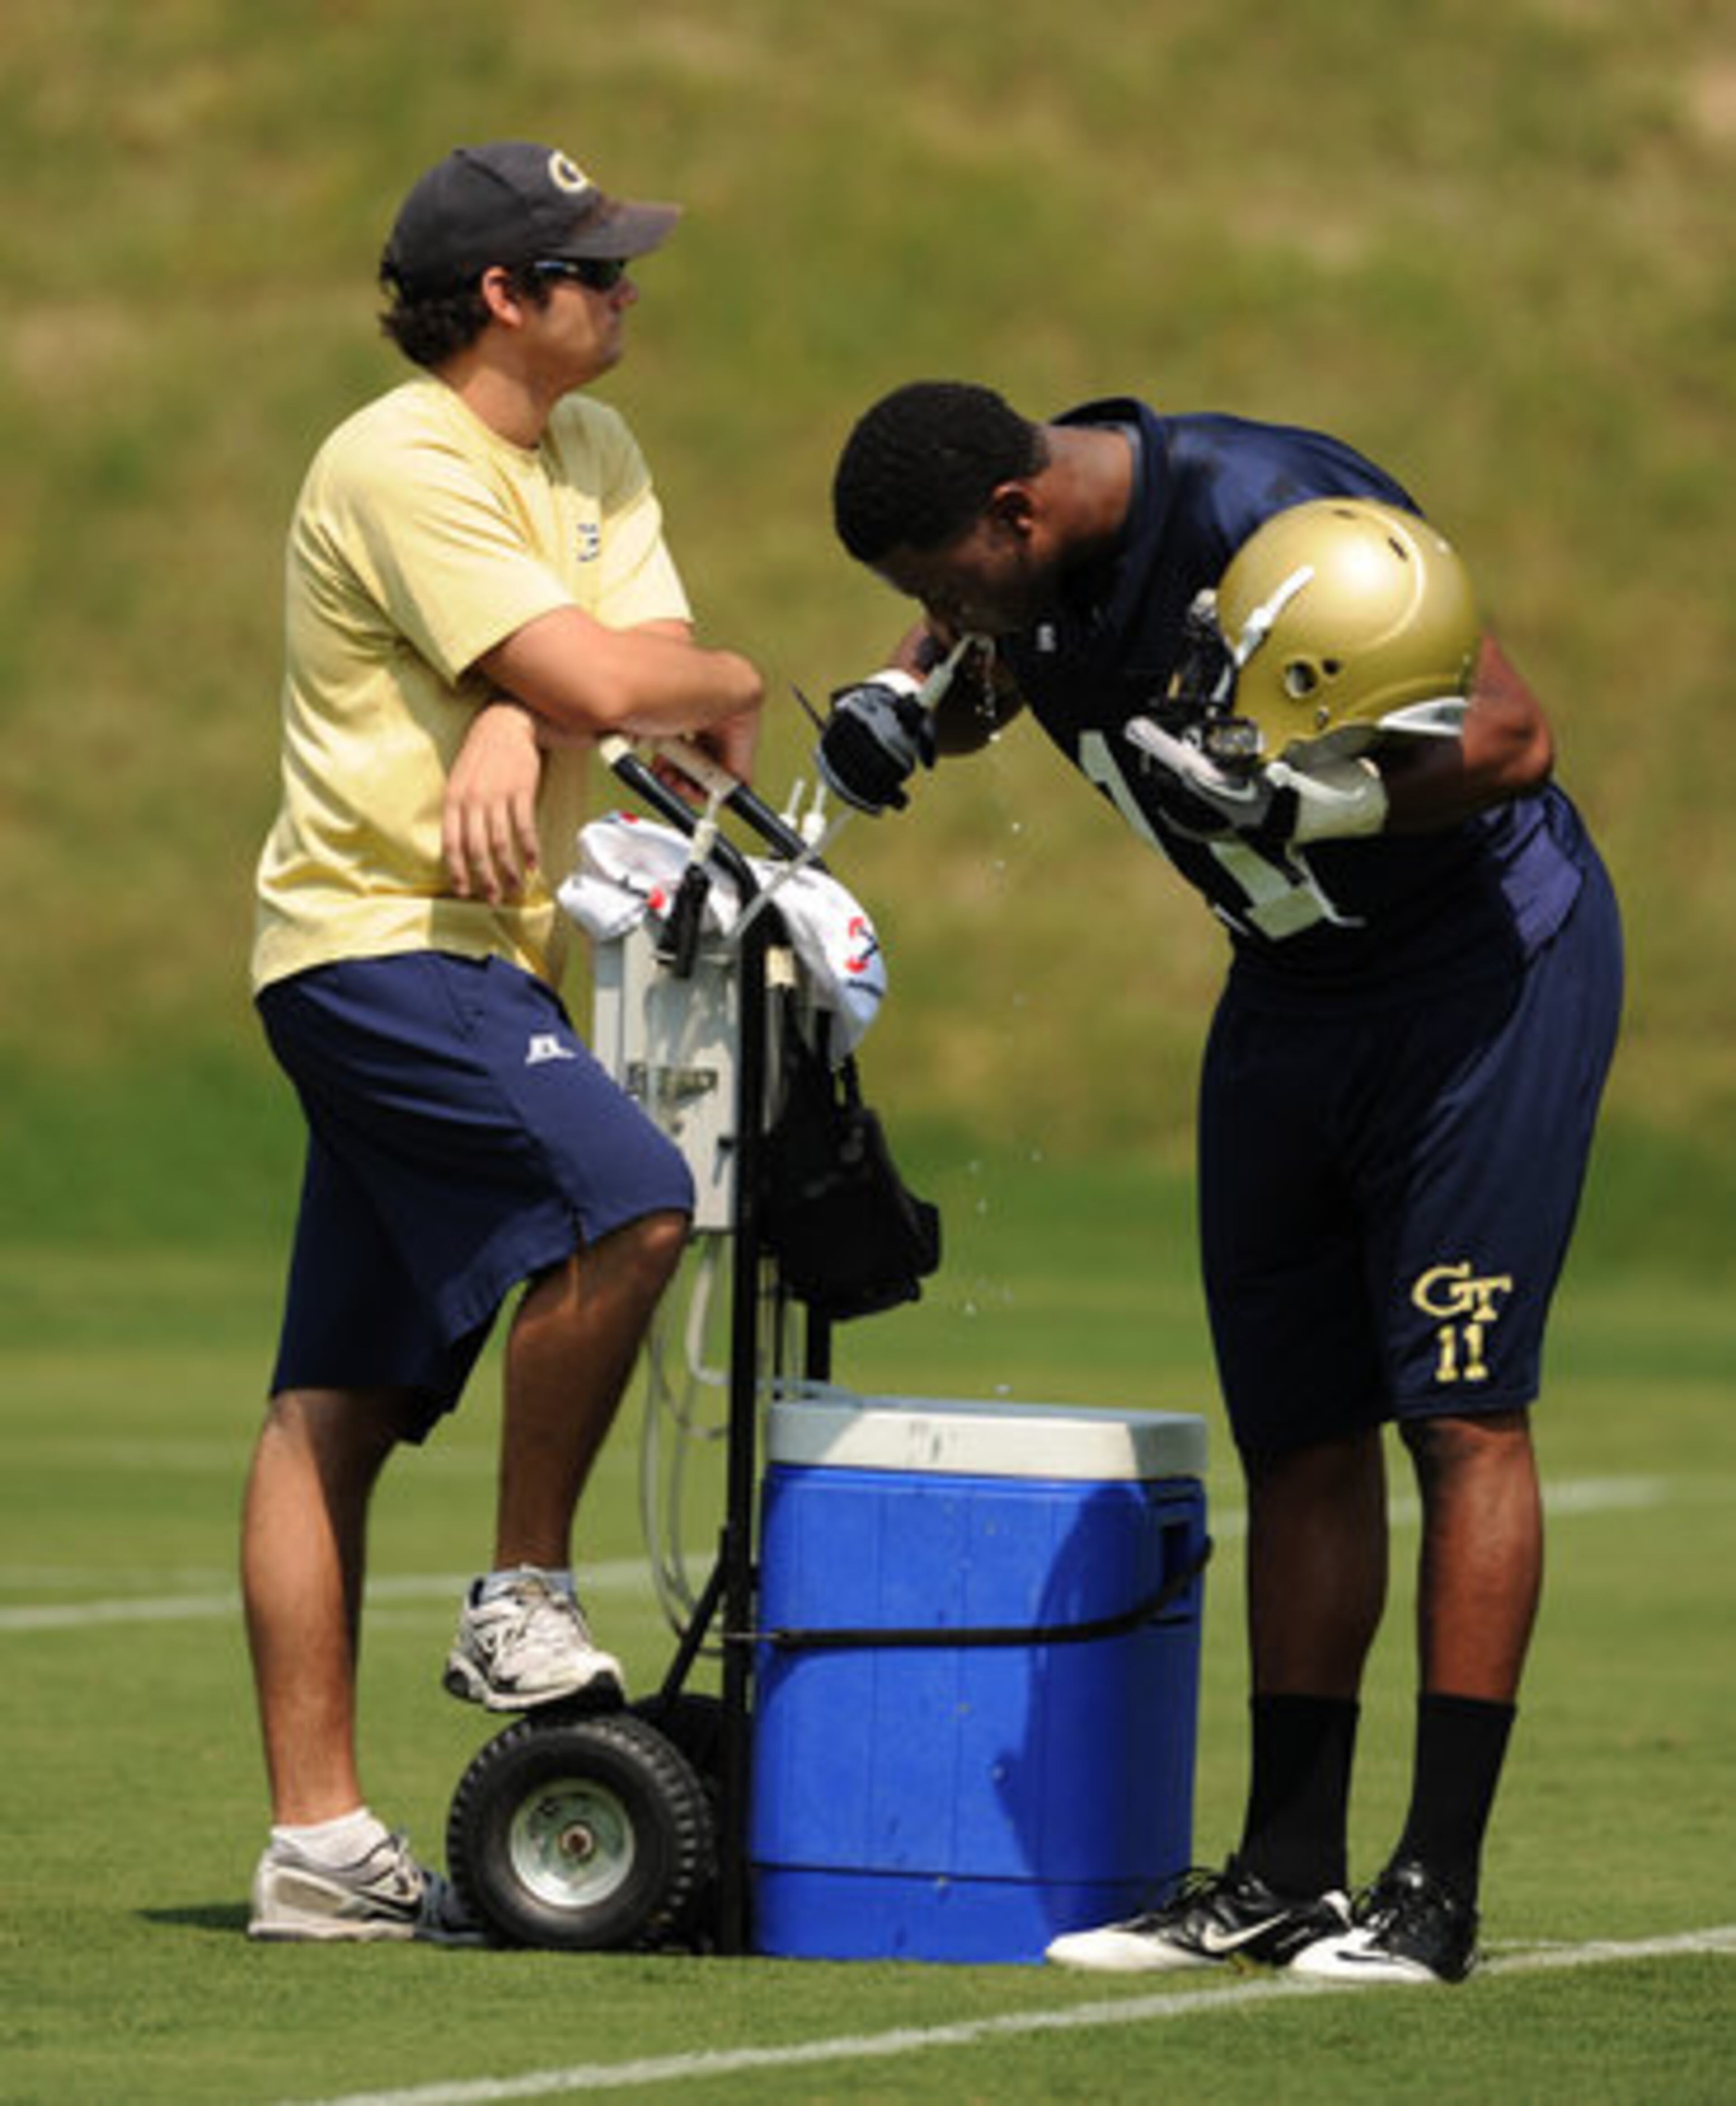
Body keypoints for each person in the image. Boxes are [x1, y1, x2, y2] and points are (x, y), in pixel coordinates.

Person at [819, 380, 1622, 1985]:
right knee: (1297, 1426)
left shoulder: (1261, 509)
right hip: (1291, 985)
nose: (934, 612)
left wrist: (1307, 798)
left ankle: (1433, 1887)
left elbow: (1516, 736)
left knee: (1459, 1413)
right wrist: (904, 699)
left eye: (935, 581)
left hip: (1476, 977)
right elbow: (993, 662)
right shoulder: (1029, 557)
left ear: (1017, 516)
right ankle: (1285, 1871)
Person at [242, 141, 764, 1941]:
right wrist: (585, 698)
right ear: (500, 300)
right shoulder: (395, 455)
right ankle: (523, 1590)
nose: (626, 293)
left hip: (487, 949)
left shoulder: (595, 452)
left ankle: (317, 1846)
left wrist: (520, 722)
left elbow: (652, 659)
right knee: (631, 1202)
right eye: (593, 271)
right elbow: (645, 690)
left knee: (340, 1400)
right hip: (380, 946)